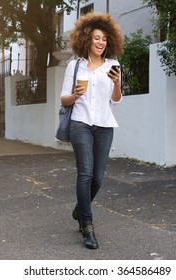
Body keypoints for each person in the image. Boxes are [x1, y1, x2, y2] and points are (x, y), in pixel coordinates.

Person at [60, 12, 123, 249]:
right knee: (84, 174)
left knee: (97, 177)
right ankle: (87, 225)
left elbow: (116, 100)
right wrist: (75, 95)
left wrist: (117, 83)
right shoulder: (75, 66)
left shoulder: (113, 65)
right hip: (81, 123)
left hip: (105, 125)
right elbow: (64, 99)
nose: (101, 42)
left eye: (104, 39)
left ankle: (80, 208)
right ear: (87, 39)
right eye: (97, 38)